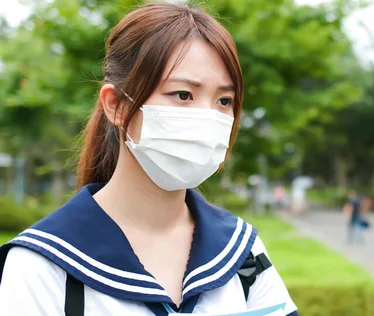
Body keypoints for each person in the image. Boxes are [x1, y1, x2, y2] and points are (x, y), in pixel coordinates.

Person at [0, 4, 298, 316]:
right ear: (115, 105)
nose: (208, 118)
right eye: (183, 95)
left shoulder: (243, 254)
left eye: (224, 101)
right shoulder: (42, 266)